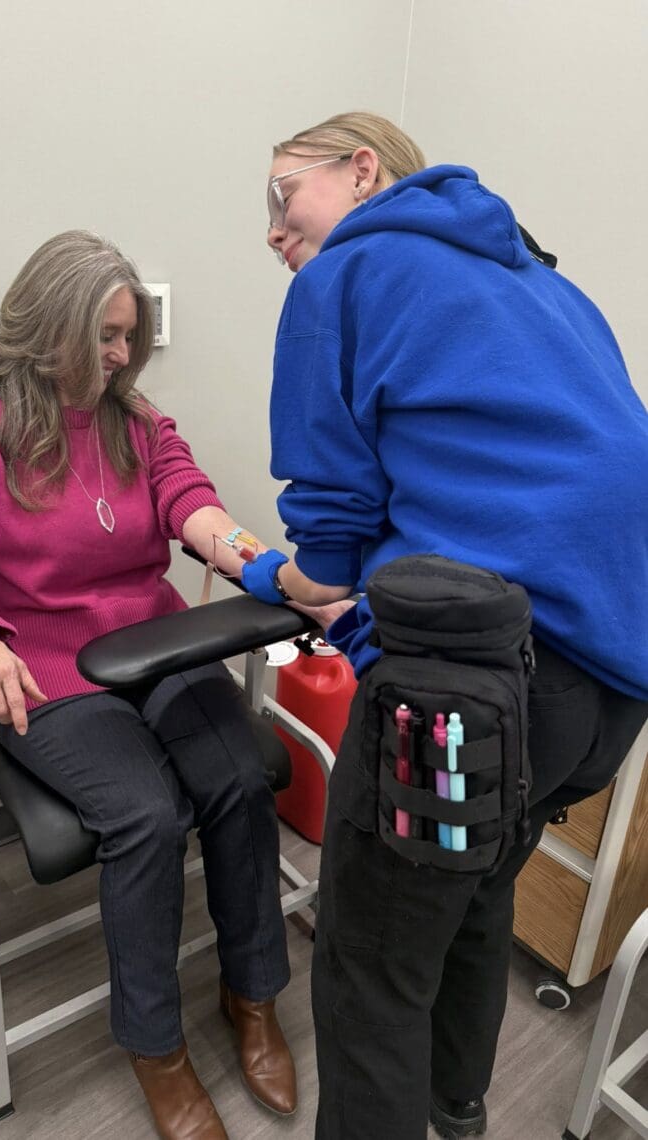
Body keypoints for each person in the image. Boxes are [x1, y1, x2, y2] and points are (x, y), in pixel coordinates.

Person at [236, 112, 648, 1139]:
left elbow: (328, 534)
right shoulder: (546, 285)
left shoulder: (346, 276)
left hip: (479, 702)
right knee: (469, 907)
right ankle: (457, 1118)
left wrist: (267, 564)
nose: (273, 232)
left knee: (370, 968)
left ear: (363, 170)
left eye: (282, 196)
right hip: (607, 701)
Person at [0, 230, 346, 1140]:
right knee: (143, 813)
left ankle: (251, 997)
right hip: (46, 668)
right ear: (46, 324)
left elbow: (193, 506)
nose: (122, 355)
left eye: (130, 335)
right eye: (105, 335)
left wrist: (273, 571)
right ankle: (156, 1047)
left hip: (154, 645)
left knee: (239, 778)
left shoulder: (138, 424)